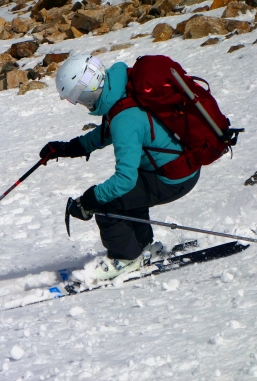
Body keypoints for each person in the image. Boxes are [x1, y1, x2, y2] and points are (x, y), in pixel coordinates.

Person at [40, 54, 200, 281]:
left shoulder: (125, 119)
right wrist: (67, 148)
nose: (81, 104)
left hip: (173, 178)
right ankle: (141, 245)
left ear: (90, 89)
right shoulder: (122, 90)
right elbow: (105, 132)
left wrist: (89, 201)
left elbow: (125, 179)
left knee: (108, 202)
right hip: (179, 168)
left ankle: (125, 258)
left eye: (78, 97)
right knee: (128, 195)